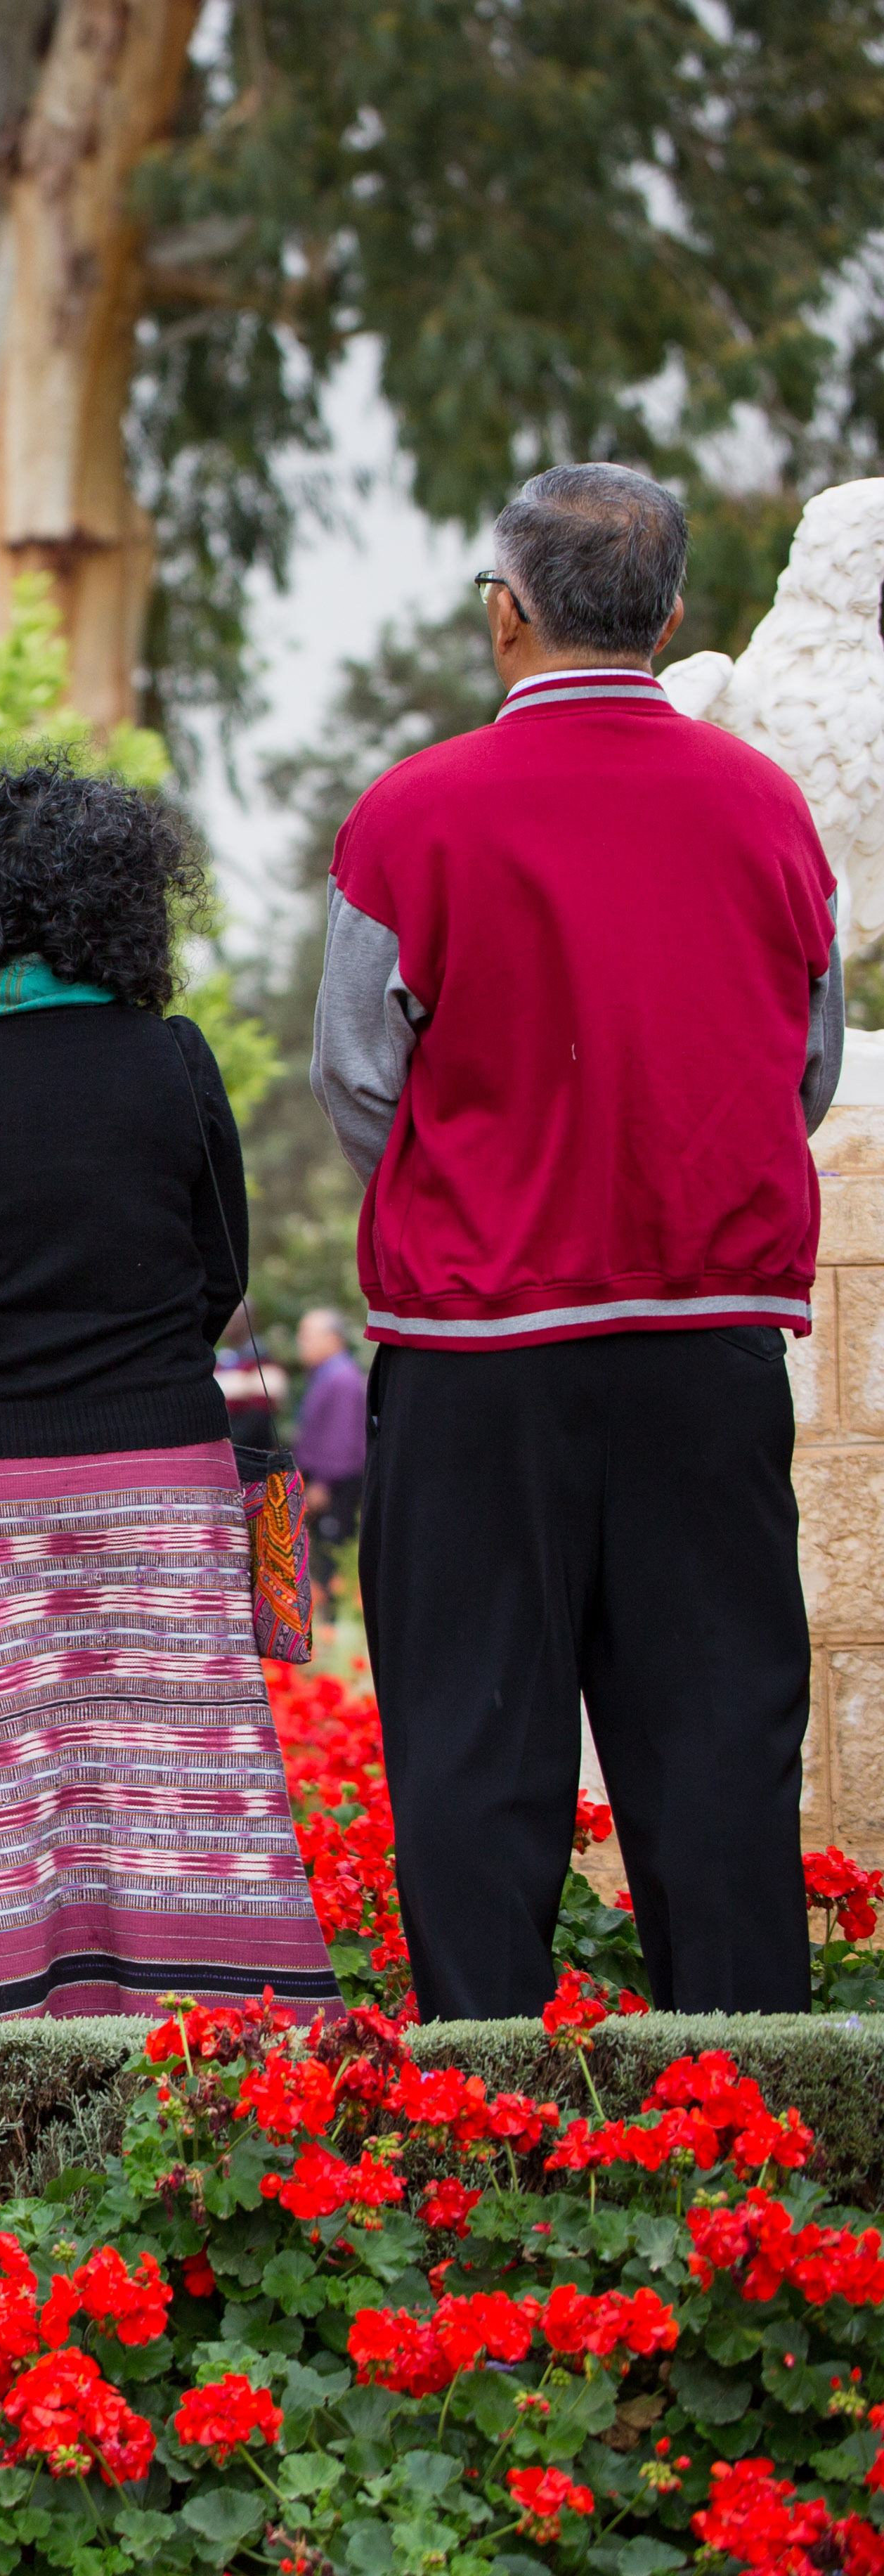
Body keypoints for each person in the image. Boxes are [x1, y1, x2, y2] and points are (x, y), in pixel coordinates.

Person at [318, 463, 843, 2019]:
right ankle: (750, 2093)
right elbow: (804, 1065)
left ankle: (484, 2096)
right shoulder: (766, 807)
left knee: (475, 1741)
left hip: (481, 1352)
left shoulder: (412, 813)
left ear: (504, 615)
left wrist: (480, 1187)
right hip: (707, 1339)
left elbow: (361, 1077)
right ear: (672, 612)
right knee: (721, 1736)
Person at [0, 761, 344, 2021]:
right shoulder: (170, 1062)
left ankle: (12, 2053)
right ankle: (223, 2059)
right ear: (133, 903)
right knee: (173, 1791)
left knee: (8, 1798)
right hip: (161, 1481)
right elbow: (219, 1269)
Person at [292, 1308, 367, 1580]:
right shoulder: (326, 1374)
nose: (301, 1342)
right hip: (323, 1481)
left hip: (334, 1485)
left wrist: (322, 1482)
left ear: (332, 1339)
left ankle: (332, 1619)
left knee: (330, 1557)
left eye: (307, 1336)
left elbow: (343, 1437)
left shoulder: (342, 1378)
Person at [214, 1304, 288, 1455]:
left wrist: (224, 1447)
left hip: (251, 1457)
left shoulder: (263, 1361)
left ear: (248, 1320)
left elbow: (259, 1419)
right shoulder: (225, 1358)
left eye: (233, 1316)